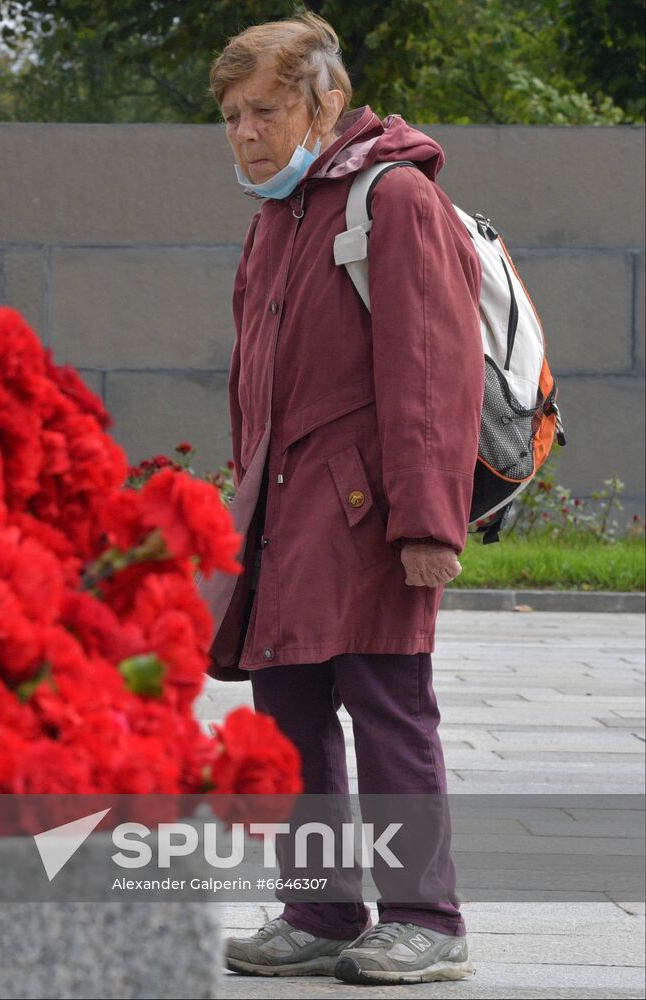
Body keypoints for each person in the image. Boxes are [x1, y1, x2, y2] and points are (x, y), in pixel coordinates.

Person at [202, 11, 484, 986]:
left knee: (386, 704)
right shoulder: (276, 216)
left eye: (264, 110)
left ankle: (424, 918)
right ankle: (320, 909)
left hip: (373, 512)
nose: (244, 133)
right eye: (232, 115)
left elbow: (426, 371)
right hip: (285, 517)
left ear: (324, 101)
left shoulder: (393, 199)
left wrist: (424, 520)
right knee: (286, 709)